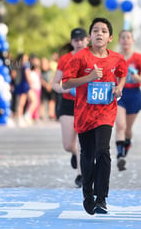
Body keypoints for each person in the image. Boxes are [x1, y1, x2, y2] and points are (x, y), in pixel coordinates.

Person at [62, 17, 127, 215]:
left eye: (103, 31)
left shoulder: (116, 59)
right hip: (84, 114)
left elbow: (122, 74)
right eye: (95, 31)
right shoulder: (80, 57)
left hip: (106, 113)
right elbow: (66, 83)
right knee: (88, 156)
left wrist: (119, 88)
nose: (99, 34)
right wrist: (89, 78)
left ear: (110, 37)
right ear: (90, 36)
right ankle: (87, 193)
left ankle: (101, 198)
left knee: (103, 151)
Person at [52, 28, 89, 189]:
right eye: (76, 40)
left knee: (82, 142)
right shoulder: (65, 59)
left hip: (87, 104)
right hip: (67, 103)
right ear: (72, 41)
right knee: (68, 145)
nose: (79, 42)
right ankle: (74, 154)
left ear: (87, 40)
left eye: (82, 39)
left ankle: (81, 175)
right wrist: (63, 89)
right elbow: (54, 83)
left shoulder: (93, 57)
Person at [115, 30, 141, 171]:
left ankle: (127, 143)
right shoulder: (115, 57)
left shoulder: (139, 58)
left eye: (128, 38)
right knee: (120, 126)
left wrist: (139, 78)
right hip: (119, 94)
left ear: (132, 41)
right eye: (123, 38)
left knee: (128, 129)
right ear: (119, 40)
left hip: (134, 94)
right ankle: (120, 156)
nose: (125, 40)